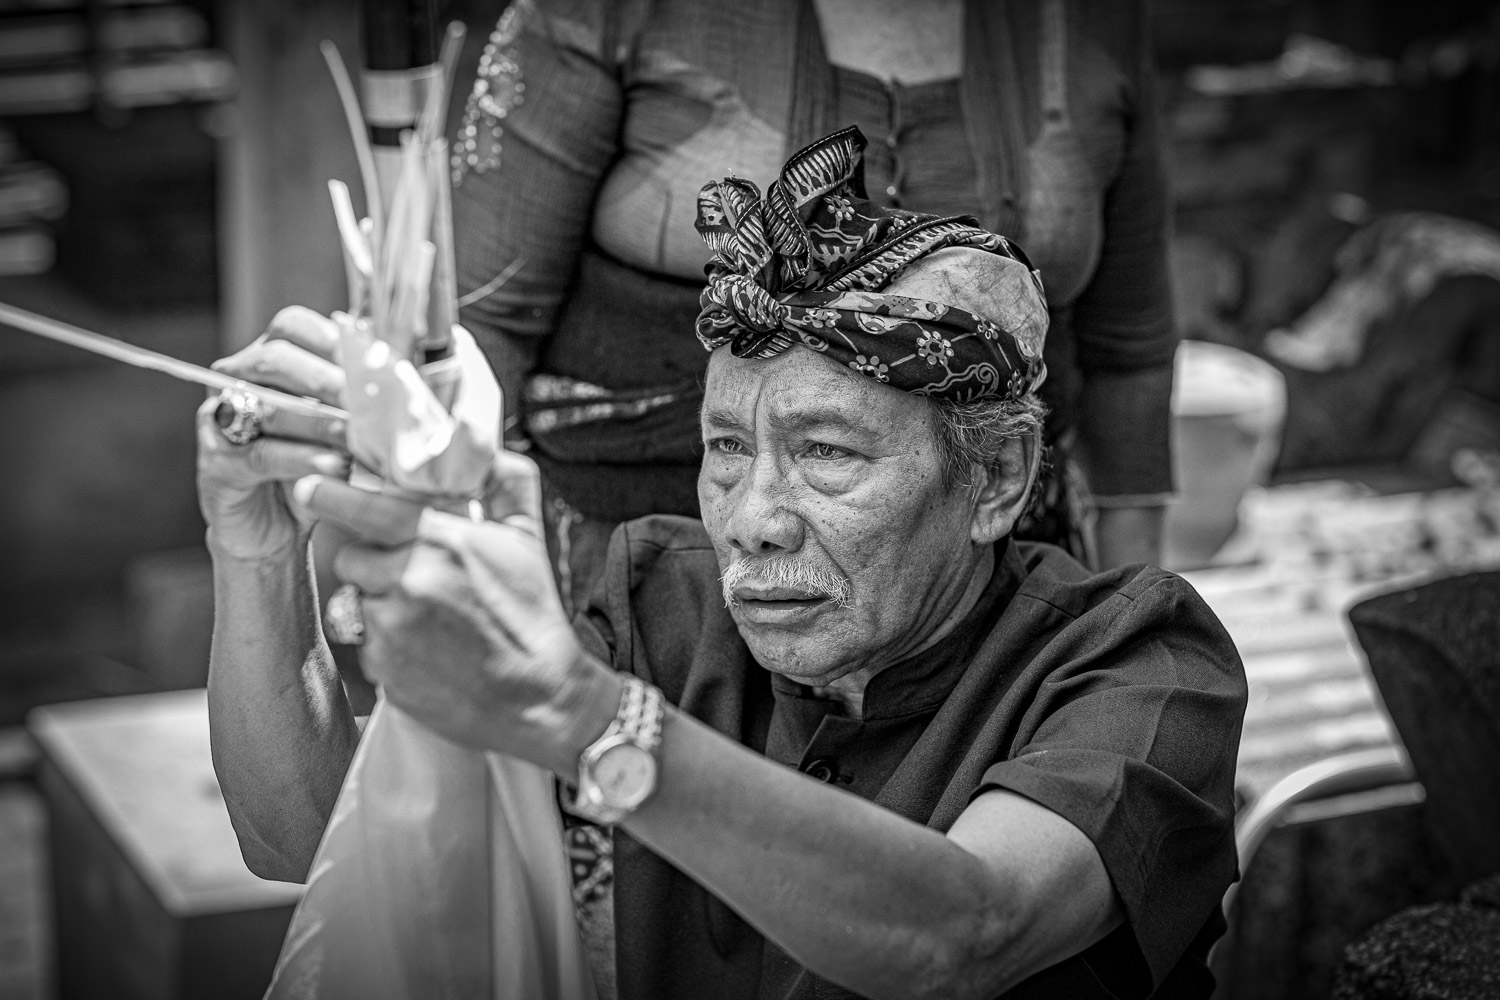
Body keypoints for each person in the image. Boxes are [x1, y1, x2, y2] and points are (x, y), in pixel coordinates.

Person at [199, 130, 1244, 999]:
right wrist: (253, 548)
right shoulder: (663, 600)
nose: (754, 520)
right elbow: (311, 838)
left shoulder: (1136, 662)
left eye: (826, 452)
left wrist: (592, 719)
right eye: (729, 449)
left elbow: (967, 930)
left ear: (997, 477)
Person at [453, 0, 1179, 611]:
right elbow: (480, 321)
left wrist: (1125, 630)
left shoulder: (1091, 22)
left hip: (985, 587)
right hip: (648, 571)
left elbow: (1129, 352)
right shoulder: (607, 11)